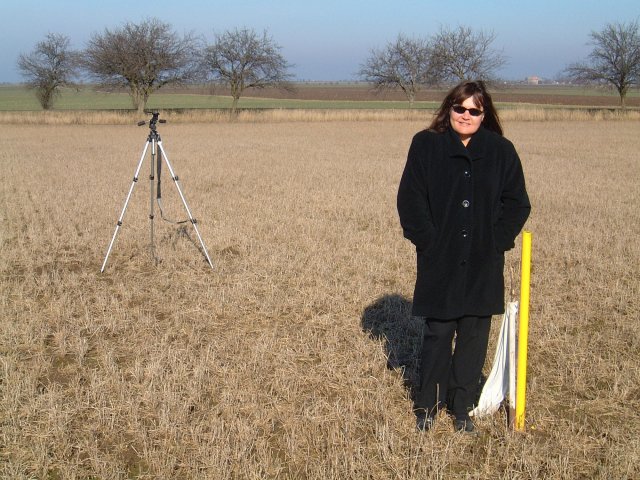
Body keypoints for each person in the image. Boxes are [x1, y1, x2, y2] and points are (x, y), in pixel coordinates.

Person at [397, 80, 530, 433]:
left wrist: (496, 241)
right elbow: (410, 200)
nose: (466, 115)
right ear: (449, 109)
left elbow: (518, 203)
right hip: (439, 261)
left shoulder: (501, 151)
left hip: (483, 264)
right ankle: (428, 404)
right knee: (439, 333)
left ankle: (461, 408)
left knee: (473, 334)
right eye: (460, 108)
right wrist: (429, 242)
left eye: (474, 110)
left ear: (484, 114)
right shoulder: (426, 145)